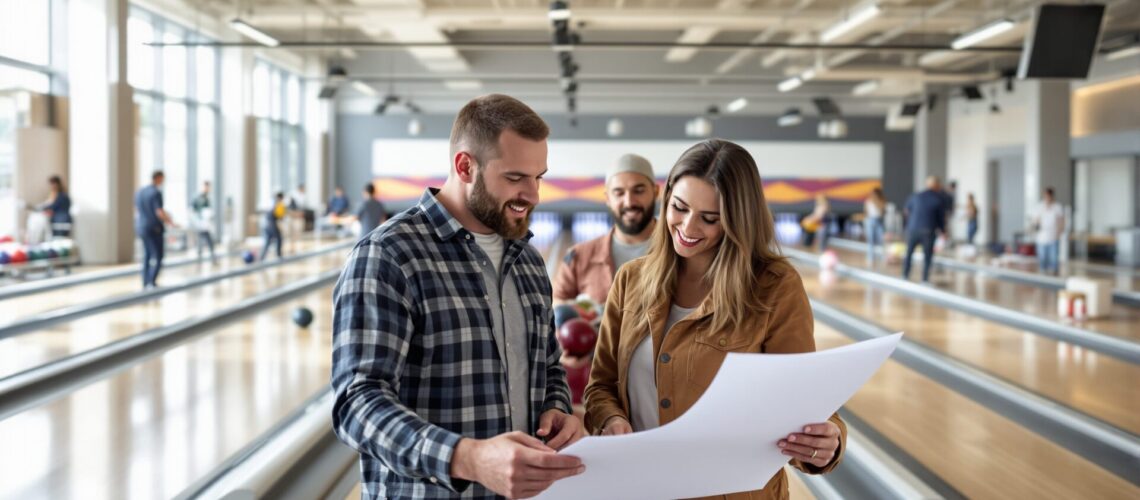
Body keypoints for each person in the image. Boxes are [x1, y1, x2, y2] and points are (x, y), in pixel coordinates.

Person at [331, 94, 585, 500]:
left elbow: (549, 366)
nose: (533, 194)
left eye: (539, 177)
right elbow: (357, 405)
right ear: (465, 166)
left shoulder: (529, 262)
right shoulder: (390, 256)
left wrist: (557, 408)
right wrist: (468, 459)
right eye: (516, 177)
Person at [584, 139, 846, 500]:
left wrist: (828, 440)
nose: (688, 227)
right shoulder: (631, 279)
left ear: (739, 220)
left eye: (710, 218)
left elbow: (803, 402)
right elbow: (601, 386)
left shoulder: (774, 287)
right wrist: (610, 420)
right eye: (679, 207)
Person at [554, 153, 658, 305]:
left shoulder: (679, 251)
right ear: (608, 198)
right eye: (619, 193)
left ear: (655, 192)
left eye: (638, 191)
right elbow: (556, 306)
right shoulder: (579, 257)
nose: (629, 202)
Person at [902, 176, 947, 283]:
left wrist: (909, 224)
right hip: (928, 231)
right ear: (937, 186)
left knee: (909, 253)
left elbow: (906, 211)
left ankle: (904, 275)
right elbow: (941, 218)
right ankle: (924, 279)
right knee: (927, 256)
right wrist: (943, 231)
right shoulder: (938, 199)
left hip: (912, 229)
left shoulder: (916, 196)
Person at [135, 171, 175, 288]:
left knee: (147, 254)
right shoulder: (156, 193)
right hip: (154, 228)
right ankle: (152, 281)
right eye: (162, 179)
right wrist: (170, 222)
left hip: (141, 227)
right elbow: (159, 212)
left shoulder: (140, 192)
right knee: (158, 256)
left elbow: (137, 210)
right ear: (158, 178)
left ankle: (145, 280)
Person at [1033, 187, 1065, 274]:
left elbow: (1061, 221)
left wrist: (1059, 233)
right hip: (1041, 238)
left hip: (1053, 237)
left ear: (1052, 196)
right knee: (1042, 261)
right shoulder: (1039, 206)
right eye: (1045, 196)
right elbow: (1036, 222)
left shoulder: (1057, 207)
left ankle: (1054, 276)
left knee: (1054, 260)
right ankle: (1043, 278)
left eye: (1049, 196)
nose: (1047, 198)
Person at [191, 180, 217, 264]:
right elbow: (192, 210)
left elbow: (208, 210)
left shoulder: (207, 198)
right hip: (200, 223)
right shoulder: (198, 197)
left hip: (206, 223)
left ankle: (210, 258)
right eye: (207, 187)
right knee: (202, 240)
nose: (208, 189)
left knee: (207, 240)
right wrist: (197, 221)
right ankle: (201, 259)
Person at [863, 187, 886, 264]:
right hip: (870, 221)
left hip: (878, 221)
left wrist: (877, 202)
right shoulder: (868, 201)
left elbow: (882, 211)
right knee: (871, 240)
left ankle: (883, 257)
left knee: (881, 240)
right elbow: (866, 212)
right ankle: (870, 258)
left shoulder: (881, 201)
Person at [261, 192, 285, 262]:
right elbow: (280, 216)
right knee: (279, 239)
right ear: (281, 198)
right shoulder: (278, 204)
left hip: (266, 224)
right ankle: (278, 255)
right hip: (272, 224)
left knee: (267, 242)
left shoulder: (271, 202)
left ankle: (261, 258)